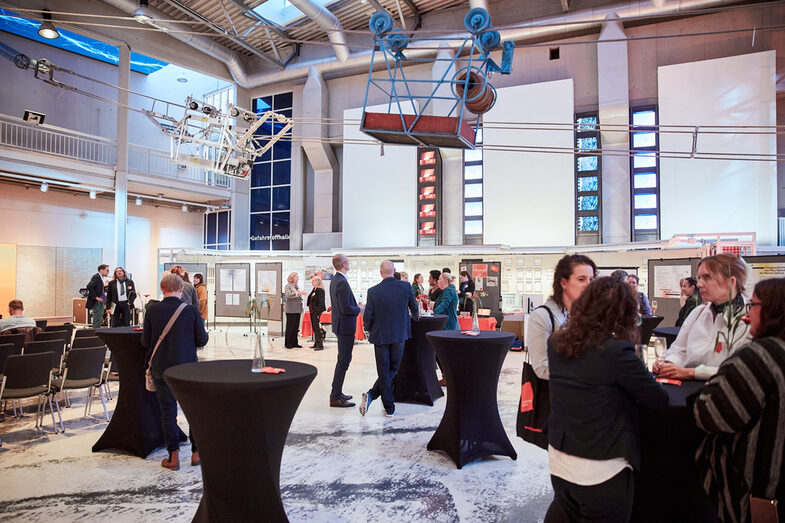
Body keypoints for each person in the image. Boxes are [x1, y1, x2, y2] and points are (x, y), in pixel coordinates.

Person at [547, 277, 668, 520]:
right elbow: (657, 398)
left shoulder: (557, 343)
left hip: (560, 460)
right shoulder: (615, 352)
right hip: (600, 467)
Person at [692, 278, 785, 523]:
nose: (748, 312)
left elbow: (711, 415)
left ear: (771, 311)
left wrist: (710, 389)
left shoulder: (758, 357)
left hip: (754, 494)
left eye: (753, 305)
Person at [141, 273, 208, 471]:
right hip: (187, 369)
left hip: (162, 369)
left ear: (162, 289)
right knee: (193, 411)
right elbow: (202, 340)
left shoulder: (152, 310)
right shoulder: (191, 311)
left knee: (168, 412)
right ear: (181, 289)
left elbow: (145, 341)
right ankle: (196, 454)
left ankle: (174, 456)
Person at [654, 253, 751, 380]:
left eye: (707, 277)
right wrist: (668, 363)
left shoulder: (750, 319)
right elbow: (678, 350)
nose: (699, 284)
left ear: (731, 282)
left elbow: (742, 369)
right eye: (699, 278)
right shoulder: (698, 313)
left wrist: (691, 373)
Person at [359, 260, 419, 418]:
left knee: (383, 370)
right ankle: (380, 400)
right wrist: (416, 318)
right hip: (399, 334)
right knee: (393, 369)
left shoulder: (373, 291)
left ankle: (383, 402)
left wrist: (367, 328)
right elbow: (414, 307)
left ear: (380, 273)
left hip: (380, 335)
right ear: (394, 271)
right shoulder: (405, 287)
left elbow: (368, 315)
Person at [527, 254, 597, 381]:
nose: (588, 285)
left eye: (591, 280)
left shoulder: (589, 314)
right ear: (564, 283)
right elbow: (542, 368)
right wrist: (588, 371)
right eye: (581, 279)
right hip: (556, 395)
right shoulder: (542, 316)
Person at [329, 253, 360, 408]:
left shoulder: (337, 280)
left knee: (342, 360)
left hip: (342, 325)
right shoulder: (341, 282)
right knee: (343, 361)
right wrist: (358, 309)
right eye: (348, 261)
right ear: (342, 265)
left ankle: (337, 392)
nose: (349, 263)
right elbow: (346, 308)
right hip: (345, 327)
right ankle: (335, 396)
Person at [284, 272, 306, 349]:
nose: (298, 279)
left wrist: (299, 294)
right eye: (297, 277)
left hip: (297, 309)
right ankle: (288, 343)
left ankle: (294, 343)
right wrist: (298, 293)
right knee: (290, 327)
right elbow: (288, 295)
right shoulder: (288, 286)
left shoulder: (296, 286)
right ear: (292, 278)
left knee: (296, 327)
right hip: (291, 310)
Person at [86, 264, 109, 328]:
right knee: (97, 319)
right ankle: (95, 334)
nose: (108, 272)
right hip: (97, 302)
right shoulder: (96, 277)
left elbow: (98, 289)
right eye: (107, 270)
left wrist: (105, 286)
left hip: (100, 302)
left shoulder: (100, 278)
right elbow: (89, 286)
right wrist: (96, 297)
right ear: (101, 270)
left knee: (99, 319)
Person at [307, 276, 326, 350]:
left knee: (317, 328)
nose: (312, 282)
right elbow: (310, 299)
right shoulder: (314, 289)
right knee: (314, 328)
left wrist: (318, 313)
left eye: (313, 281)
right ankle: (316, 342)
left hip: (316, 312)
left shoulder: (320, 290)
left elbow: (321, 303)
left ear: (317, 282)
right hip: (312, 311)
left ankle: (320, 345)